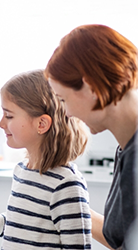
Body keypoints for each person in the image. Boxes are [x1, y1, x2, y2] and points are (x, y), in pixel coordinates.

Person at [0, 70, 92, 249]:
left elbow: (79, 246)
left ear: (41, 124)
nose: (1, 123)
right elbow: (21, 229)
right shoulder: (22, 171)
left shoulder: (66, 184)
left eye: (9, 116)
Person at [44, 24, 138, 250]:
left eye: (64, 100)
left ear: (91, 87)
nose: (66, 113)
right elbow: (121, 238)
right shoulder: (126, 148)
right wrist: (64, 202)